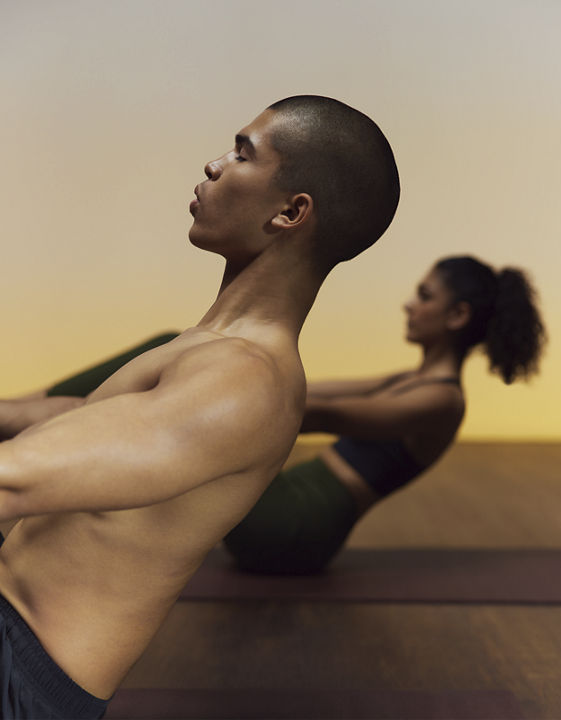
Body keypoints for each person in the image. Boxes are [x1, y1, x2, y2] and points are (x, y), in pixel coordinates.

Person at [0, 95, 400, 718]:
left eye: (242, 153)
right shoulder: (206, 352)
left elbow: (16, 480)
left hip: (21, 672)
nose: (214, 165)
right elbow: (64, 421)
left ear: (291, 212)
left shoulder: (243, 380)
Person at [2, 256, 546, 578]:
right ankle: (21, 412)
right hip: (286, 508)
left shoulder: (441, 400)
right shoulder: (409, 378)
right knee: (178, 359)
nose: (409, 304)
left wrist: (208, 391)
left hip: (295, 533)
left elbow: (317, 411)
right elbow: (309, 386)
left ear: (456, 315)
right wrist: (211, 373)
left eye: (423, 296)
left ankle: (17, 416)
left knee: (179, 380)